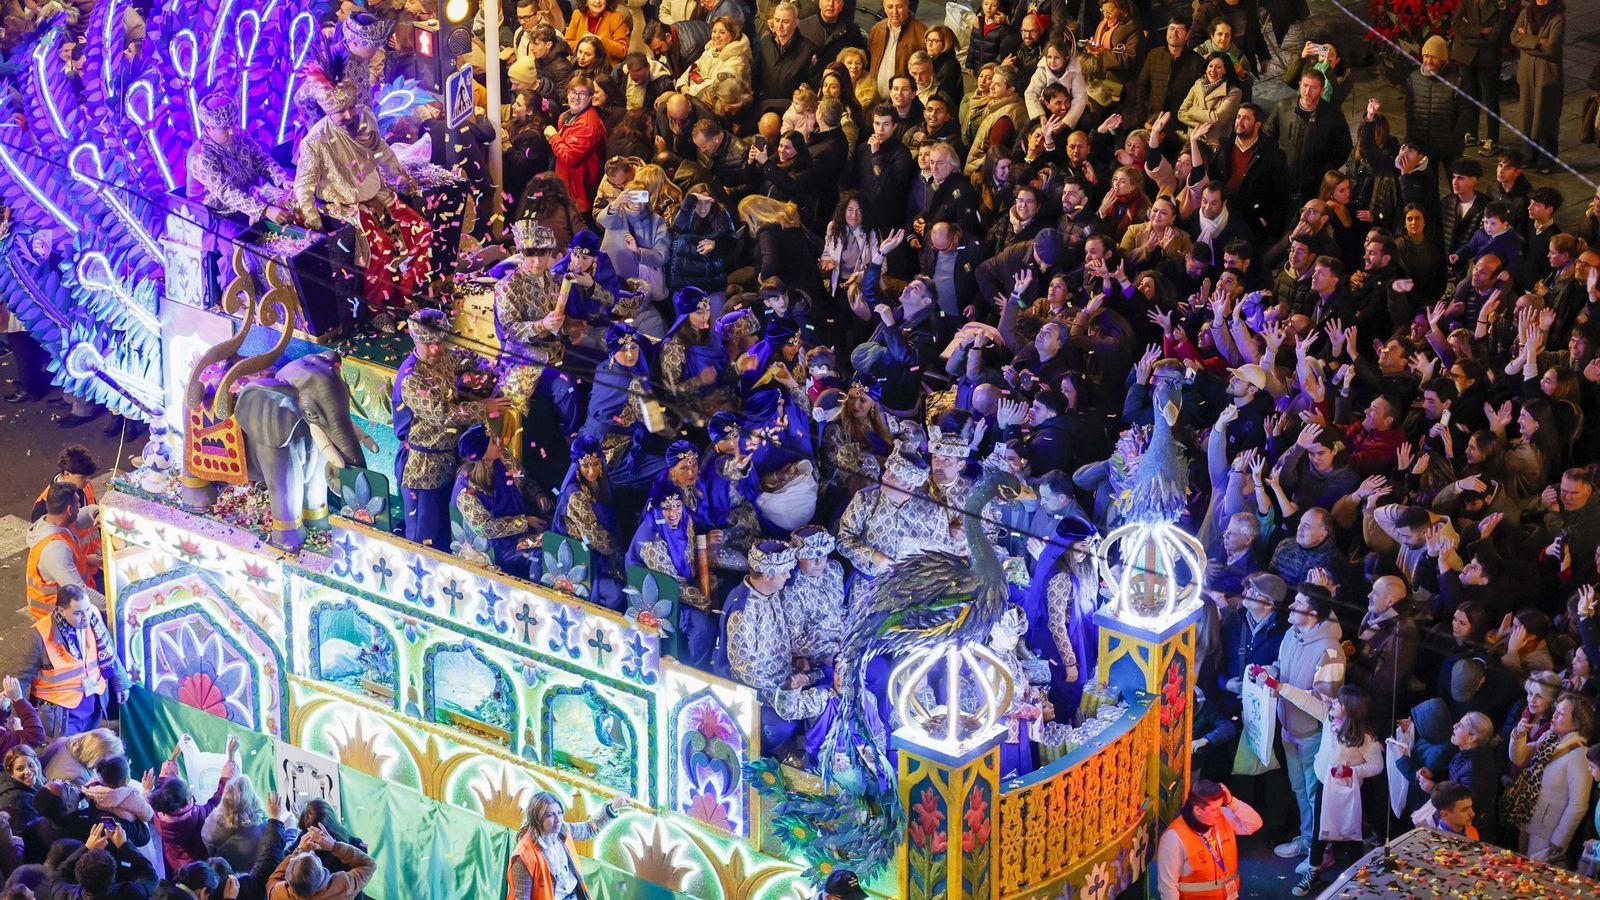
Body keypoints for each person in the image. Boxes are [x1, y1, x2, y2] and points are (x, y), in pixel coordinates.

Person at [293, 69, 430, 330]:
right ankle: (376, 309)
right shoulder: (315, 141)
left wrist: (399, 174)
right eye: (340, 112)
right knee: (381, 251)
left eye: (350, 108)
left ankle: (402, 297)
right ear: (326, 112)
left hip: (378, 196)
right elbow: (303, 185)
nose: (348, 115)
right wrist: (314, 223)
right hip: (347, 208)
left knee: (419, 232)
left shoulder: (365, 116)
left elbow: (380, 149)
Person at [391, 310, 508, 550]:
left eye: (439, 342)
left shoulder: (442, 356)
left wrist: (491, 366)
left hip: (448, 458)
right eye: (428, 344)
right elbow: (443, 414)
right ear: (415, 340)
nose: (436, 349)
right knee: (424, 536)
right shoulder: (411, 378)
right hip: (423, 468)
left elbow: (463, 357)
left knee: (445, 529)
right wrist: (483, 408)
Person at [18, 585, 127, 739]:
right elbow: (19, 680)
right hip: (63, 716)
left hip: (94, 704)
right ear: (62, 611)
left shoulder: (93, 616)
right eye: (78, 613)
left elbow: (109, 650)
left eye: (87, 609)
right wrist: (20, 720)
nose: (86, 617)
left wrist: (120, 682)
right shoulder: (38, 636)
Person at [505, 790, 631, 900]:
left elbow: (589, 828)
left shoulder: (563, 832)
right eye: (550, 815)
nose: (558, 819)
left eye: (559, 813)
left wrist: (613, 807)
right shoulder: (524, 857)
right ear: (537, 818)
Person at [1156, 779, 1263, 900]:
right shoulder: (1174, 837)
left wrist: (1232, 802)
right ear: (1197, 810)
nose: (1219, 812)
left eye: (1220, 806)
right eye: (1214, 809)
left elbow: (1255, 824)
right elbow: (1168, 887)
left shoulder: (1223, 816)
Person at [25, 483, 101, 624]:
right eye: (78, 504)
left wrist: (97, 512)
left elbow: (85, 514)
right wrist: (113, 606)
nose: (80, 507)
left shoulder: (52, 522)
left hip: (66, 612)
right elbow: (79, 592)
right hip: (57, 620)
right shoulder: (55, 549)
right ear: (69, 510)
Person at [264, 822, 374, 900]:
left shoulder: (280, 894)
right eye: (312, 855)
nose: (312, 851)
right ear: (322, 874)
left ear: (289, 878)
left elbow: (273, 880)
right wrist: (334, 846)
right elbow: (369, 865)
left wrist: (298, 851)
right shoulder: (343, 886)